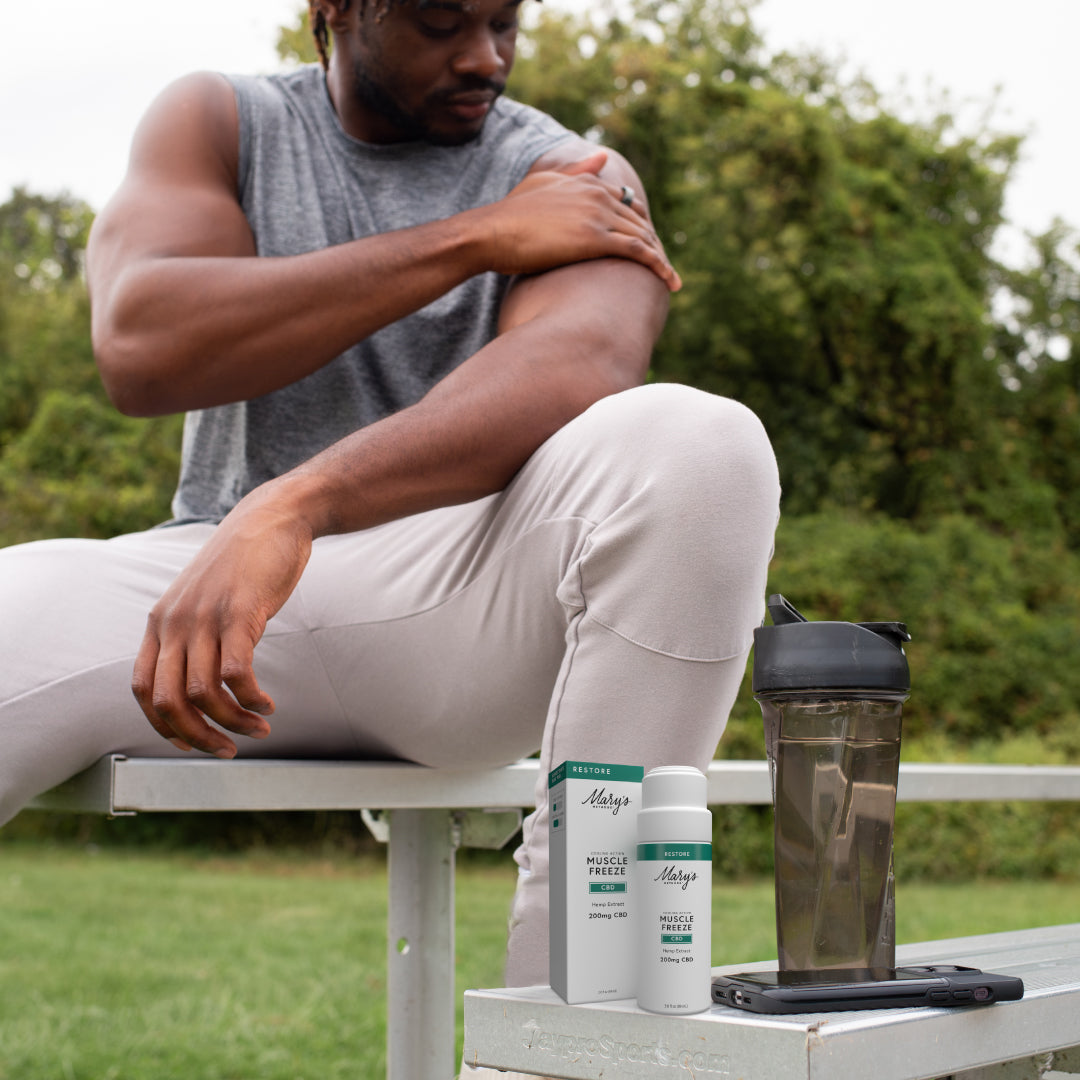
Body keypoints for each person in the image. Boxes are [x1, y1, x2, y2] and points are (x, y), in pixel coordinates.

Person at [1, 0, 779, 1073]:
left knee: (706, 444)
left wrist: (298, 501)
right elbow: (142, 344)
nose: (485, 57)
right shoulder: (221, 120)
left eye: (505, 21)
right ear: (334, 11)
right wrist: (473, 238)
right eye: (441, 22)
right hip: (220, 591)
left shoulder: (573, 174)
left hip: (451, 605)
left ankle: (565, 1049)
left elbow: (579, 365)